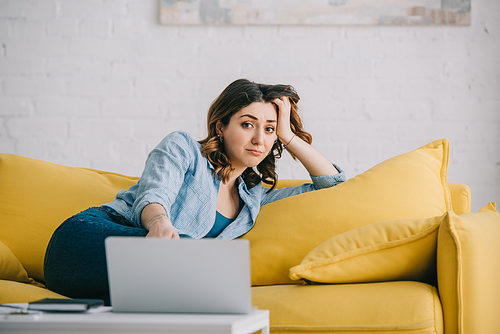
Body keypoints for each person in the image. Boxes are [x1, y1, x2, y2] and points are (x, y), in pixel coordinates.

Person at [43, 78, 346, 303]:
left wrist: (289, 136)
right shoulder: (184, 148)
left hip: (156, 274)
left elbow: (333, 188)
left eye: (268, 129)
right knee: (194, 258)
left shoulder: (255, 197)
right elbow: (155, 194)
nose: (259, 140)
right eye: (247, 124)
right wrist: (160, 223)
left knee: (193, 268)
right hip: (87, 240)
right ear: (220, 126)